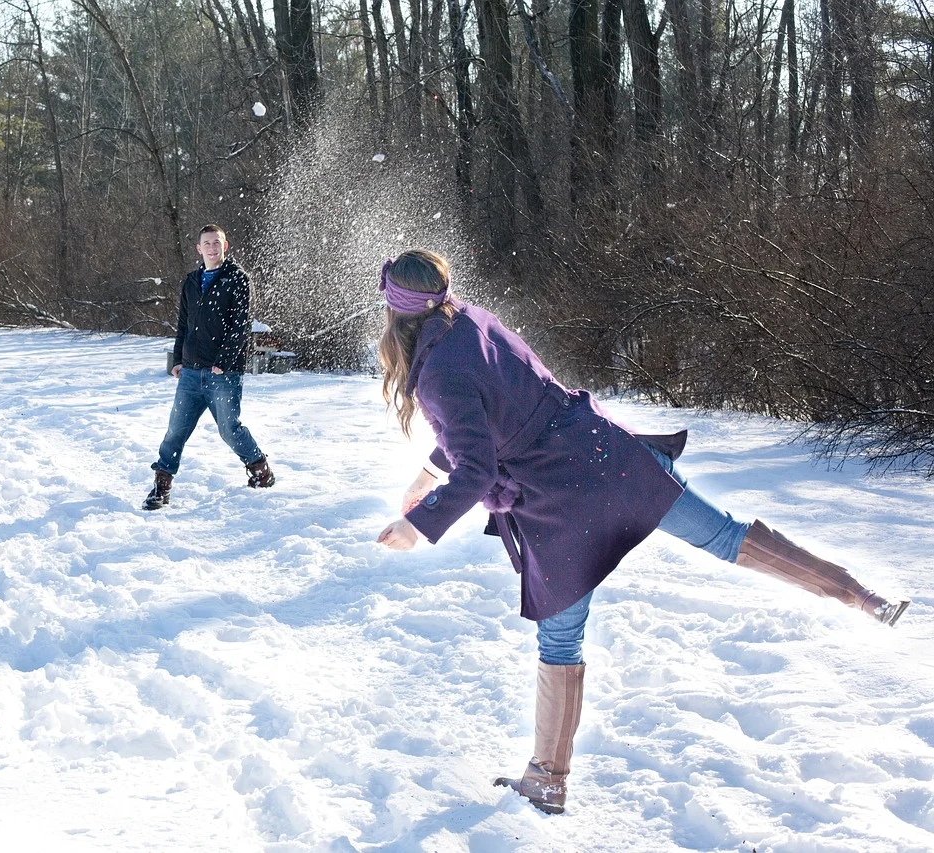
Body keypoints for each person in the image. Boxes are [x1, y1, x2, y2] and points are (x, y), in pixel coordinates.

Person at [372, 249, 909, 815]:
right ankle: (863, 597)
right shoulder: (476, 322)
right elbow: (491, 416)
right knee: (727, 537)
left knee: (559, 640)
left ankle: (548, 780)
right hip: (611, 455)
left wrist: (418, 524)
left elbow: (477, 464)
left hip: (559, 500)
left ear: (395, 311)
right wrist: (427, 476)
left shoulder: (436, 373)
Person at [143, 224, 276, 510]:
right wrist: (178, 359)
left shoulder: (237, 279)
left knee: (229, 430)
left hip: (222, 373)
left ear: (224, 247)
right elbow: (183, 323)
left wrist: (223, 362)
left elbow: (240, 324)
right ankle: (161, 487)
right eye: (207, 243)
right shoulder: (191, 281)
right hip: (190, 372)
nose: (212, 248)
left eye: (217, 243)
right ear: (199, 248)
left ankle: (261, 471)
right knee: (175, 431)